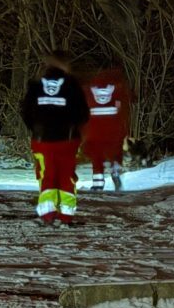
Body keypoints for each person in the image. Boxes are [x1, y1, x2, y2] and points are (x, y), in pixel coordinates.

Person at [21, 50, 89, 225]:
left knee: (46, 175)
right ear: (64, 64)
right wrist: (73, 129)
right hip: (67, 140)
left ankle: (47, 214)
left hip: (42, 140)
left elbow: (26, 112)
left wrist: (36, 129)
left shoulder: (36, 85)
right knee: (66, 176)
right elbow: (83, 113)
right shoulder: (72, 84)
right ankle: (66, 216)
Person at [81, 62, 132, 192]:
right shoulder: (119, 88)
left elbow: (83, 109)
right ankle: (115, 171)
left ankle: (98, 183)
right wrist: (125, 129)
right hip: (114, 130)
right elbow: (125, 107)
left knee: (96, 156)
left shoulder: (88, 88)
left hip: (94, 130)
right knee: (115, 153)